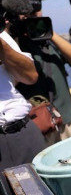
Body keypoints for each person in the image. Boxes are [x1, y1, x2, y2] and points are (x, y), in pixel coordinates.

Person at [2, 0, 71, 146]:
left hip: (64, 118)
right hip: (36, 123)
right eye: (22, 6)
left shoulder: (47, 40)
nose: (30, 11)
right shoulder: (8, 43)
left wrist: (47, 32)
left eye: (34, 5)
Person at [0, 25, 46, 172]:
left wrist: (3, 46)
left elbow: (29, 76)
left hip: (23, 129)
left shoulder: (3, 37)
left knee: (44, 191)